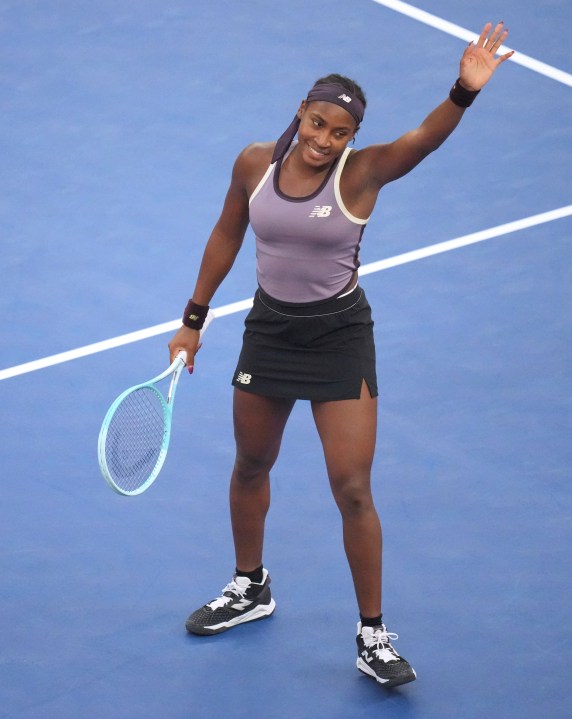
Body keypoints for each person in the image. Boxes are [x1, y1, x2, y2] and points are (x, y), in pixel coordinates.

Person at [168, 22, 514, 688]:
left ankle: (372, 633)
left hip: (339, 337)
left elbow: (421, 140)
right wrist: (193, 319)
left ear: (352, 138)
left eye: (339, 133)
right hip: (269, 331)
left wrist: (463, 92)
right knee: (250, 463)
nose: (324, 140)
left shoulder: (363, 174)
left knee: (353, 488)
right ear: (301, 110)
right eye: (317, 123)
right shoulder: (253, 163)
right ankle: (250, 585)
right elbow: (226, 233)